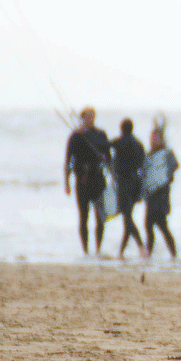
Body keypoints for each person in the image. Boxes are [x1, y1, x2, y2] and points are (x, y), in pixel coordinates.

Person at [64, 107, 110, 255]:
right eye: (87, 116)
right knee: (83, 216)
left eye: (92, 116)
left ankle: (98, 249)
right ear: (82, 118)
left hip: (98, 178)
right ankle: (85, 250)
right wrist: (66, 182)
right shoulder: (75, 136)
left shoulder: (100, 134)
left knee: (100, 216)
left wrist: (112, 175)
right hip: (82, 180)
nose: (90, 119)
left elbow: (108, 156)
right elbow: (68, 161)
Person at [110, 118, 148, 259]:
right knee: (128, 217)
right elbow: (143, 165)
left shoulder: (119, 142)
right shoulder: (139, 144)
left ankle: (141, 247)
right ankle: (120, 252)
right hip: (136, 183)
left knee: (127, 217)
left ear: (121, 128)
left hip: (124, 183)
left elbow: (104, 146)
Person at [143, 125, 180, 260]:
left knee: (162, 225)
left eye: (156, 138)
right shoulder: (149, 154)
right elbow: (145, 173)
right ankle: (149, 253)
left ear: (161, 139)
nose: (153, 140)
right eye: (152, 138)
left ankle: (173, 254)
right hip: (151, 195)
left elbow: (175, 166)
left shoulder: (166, 153)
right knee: (148, 225)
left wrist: (164, 174)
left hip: (162, 195)